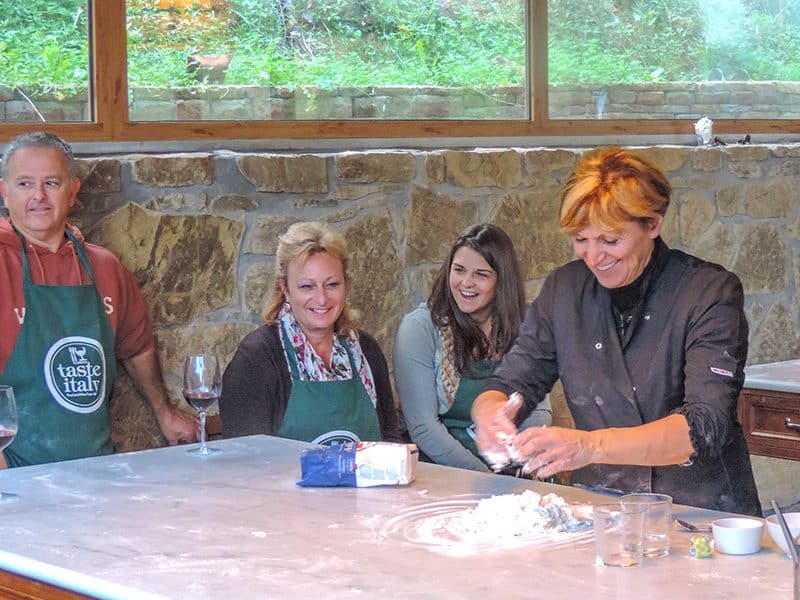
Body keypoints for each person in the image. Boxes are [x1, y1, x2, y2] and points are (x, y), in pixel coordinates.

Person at [472, 147, 761, 516]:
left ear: (653, 225)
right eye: (581, 239)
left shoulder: (708, 292)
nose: (594, 257)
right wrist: (490, 415)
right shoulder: (564, 289)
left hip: (701, 514)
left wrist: (588, 447)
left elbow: (705, 424)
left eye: (610, 240)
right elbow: (512, 381)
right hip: (603, 507)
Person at [0, 131, 198, 468]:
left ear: (73, 190)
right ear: (4, 191)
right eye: (24, 184)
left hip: (95, 469)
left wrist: (164, 412)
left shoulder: (104, 266)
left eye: (51, 183)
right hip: (15, 472)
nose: (39, 196)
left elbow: (137, 348)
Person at [220, 221, 400, 445]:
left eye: (332, 284)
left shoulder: (366, 350)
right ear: (285, 288)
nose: (322, 299)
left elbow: (391, 439)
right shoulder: (257, 358)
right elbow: (246, 457)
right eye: (307, 286)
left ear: (346, 284)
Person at [393, 224, 551, 471]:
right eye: (459, 270)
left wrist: (522, 461)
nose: (466, 283)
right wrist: (485, 477)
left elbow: (538, 409)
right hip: (442, 474)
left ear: (502, 281)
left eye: (481, 274)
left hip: (511, 466)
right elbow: (423, 428)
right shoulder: (420, 328)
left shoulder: (524, 325)